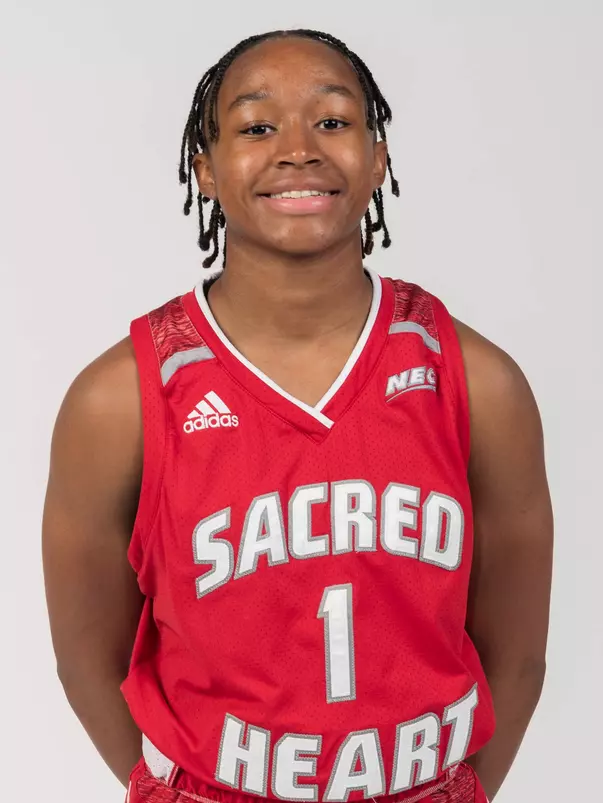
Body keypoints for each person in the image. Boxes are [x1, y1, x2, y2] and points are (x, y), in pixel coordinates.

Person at [42, 29, 553, 803]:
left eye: (333, 121)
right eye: (255, 127)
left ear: (377, 158)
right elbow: (87, 658)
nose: (297, 149)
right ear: (204, 170)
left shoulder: (476, 381)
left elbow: (517, 654)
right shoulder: (117, 402)